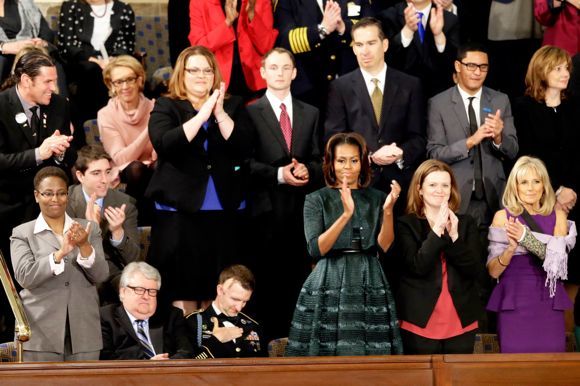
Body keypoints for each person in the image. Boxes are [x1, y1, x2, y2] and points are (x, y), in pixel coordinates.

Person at [146, 46, 252, 316]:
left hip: (223, 210)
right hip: (179, 212)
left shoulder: (233, 104)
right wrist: (202, 114)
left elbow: (244, 147)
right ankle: (185, 349)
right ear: (182, 73)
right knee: (181, 287)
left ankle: (211, 348)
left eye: (207, 70)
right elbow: (166, 144)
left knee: (215, 287)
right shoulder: (166, 105)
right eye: (194, 70)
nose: (201, 75)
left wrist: (218, 113)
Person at [426, 42, 518, 330]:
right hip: (457, 200)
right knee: (463, 271)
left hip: (494, 200)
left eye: (483, 67)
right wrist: (470, 141)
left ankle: (493, 334)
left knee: (496, 270)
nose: (478, 72)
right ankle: (468, 333)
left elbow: (514, 151)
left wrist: (500, 139)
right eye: (471, 66)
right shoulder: (439, 102)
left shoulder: (500, 99)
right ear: (458, 66)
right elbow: (434, 153)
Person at [285, 132, 403, 356]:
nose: (347, 166)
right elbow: (316, 249)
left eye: (354, 160)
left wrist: (388, 211)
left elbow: (385, 246)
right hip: (328, 276)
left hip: (369, 275)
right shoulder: (316, 198)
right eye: (341, 160)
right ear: (330, 163)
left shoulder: (377, 198)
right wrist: (346, 214)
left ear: (362, 162)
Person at [246, 47, 322, 342]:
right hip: (265, 212)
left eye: (285, 67)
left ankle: (298, 343)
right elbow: (244, 163)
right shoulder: (250, 112)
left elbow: (319, 158)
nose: (279, 73)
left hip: (301, 212)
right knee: (267, 281)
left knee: (298, 279)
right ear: (263, 72)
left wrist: (308, 170)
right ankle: (267, 344)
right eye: (273, 67)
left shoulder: (310, 112)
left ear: (294, 72)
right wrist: (279, 175)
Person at [0, 51, 74, 341]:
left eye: (55, 81)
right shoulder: (1, 106)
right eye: (47, 82)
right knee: (12, 279)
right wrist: (36, 154)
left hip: (44, 209)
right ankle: (11, 334)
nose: (52, 88)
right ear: (26, 80)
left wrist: (61, 152)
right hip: (6, 206)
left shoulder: (59, 105)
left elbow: (69, 155)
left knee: (46, 273)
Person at [514, 45, 580, 335]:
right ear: (542, 71)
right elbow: (527, 158)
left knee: (576, 272)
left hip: (577, 199)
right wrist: (555, 194)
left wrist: (572, 189)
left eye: (566, 68)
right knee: (550, 275)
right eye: (558, 68)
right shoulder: (523, 109)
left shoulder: (577, 107)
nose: (565, 73)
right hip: (541, 203)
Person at [325, 17, 425, 208]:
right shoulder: (340, 87)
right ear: (353, 48)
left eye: (371, 43)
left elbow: (419, 137)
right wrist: (368, 157)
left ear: (385, 44)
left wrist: (401, 152)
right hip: (356, 185)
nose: (365, 50)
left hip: (400, 186)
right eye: (359, 44)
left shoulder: (410, 84)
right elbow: (334, 138)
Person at [10, 166, 108, 361]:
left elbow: (101, 276)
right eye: (48, 193)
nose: (55, 199)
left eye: (61, 193)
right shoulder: (22, 233)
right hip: (39, 334)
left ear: (68, 195)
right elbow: (24, 277)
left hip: (84, 332)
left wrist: (84, 245)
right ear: (37, 196)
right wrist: (60, 253)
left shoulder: (89, 229)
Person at [486, 156, 576, 353]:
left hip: (547, 303)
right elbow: (493, 272)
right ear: (514, 186)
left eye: (536, 181)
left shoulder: (558, 216)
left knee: (549, 370)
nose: (530, 188)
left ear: (544, 185)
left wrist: (526, 238)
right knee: (514, 370)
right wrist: (510, 249)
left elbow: (558, 265)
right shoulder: (502, 217)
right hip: (514, 301)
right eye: (524, 182)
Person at [395, 159, 482, 354]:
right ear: (420, 189)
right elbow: (417, 266)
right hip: (419, 319)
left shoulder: (466, 223)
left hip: (460, 319)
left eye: (445, 185)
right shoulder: (406, 224)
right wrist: (436, 231)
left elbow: (474, 270)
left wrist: (454, 237)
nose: (439, 190)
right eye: (432, 185)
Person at [67, 145, 140, 305]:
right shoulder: (67, 202)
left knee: (137, 286)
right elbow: (67, 253)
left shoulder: (124, 203)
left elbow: (134, 259)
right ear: (80, 176)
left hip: (112, 273)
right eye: (96, 173)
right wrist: (92, 227)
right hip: (77, 270)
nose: (105, 180)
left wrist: (118, 232)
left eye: (107, 172)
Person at [274, 0, 377, 112]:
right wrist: (322, 29)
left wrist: (343, 28)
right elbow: (285, 41)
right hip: (309, 90)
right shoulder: (288, 2)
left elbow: (373, 28)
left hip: (352, 86)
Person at [57, 0, 136, 146]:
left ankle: (119, 130)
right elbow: (67, 45)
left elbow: (127, 45)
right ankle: (92, 130)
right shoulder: (71, 7)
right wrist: (94, 60)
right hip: (80, 63)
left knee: (119, 73)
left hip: (113, 62)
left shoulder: (123, 9)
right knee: (94, 70)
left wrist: (112, 60)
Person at [98, 55, 156, 224]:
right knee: (136, 168)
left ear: (139, 80)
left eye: (130, 79)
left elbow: (160, 148)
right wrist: (148, 130)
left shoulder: (154, 107)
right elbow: (121, 158)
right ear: (111, 85)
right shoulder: (106, 114)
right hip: (126, 170)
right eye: (118, 82)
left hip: (152, 167)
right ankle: (139, 221)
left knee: (159, 166)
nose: (125, 86)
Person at [100, 261, 193, 360]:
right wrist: (147, 366)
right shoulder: (106, 317)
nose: (146, 296)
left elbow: (186, 352)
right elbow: (106, 359)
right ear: (123, 292)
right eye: (139, 290)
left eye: (152, 291)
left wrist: (166, 365)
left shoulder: (171, 315)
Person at [188, 0, 278, 100]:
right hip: (219, 85)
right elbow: (198, 49)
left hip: (256, 83)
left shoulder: (261, 1)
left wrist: (252, 15)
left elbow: (266, 47)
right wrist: (227, 23)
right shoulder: (198, 2)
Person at [379, 0, 460, 97]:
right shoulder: (387, 16)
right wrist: (407, 30)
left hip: (438, 96)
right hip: (399, 94)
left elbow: (454, 63)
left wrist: (438, 35)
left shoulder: (449, 19)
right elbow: (386, 58)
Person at [185, 264, 264, 359]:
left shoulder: (252, 325)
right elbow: (186, 367)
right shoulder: (193, 322)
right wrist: (216, 340)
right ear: (220, 290)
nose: (239, 308)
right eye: (235, 299)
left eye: (244, 302)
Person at [0, 0, 67, 93]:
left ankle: (60, 103)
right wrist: (4, 47)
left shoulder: (24, 3)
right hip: (4, 54)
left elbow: (47, 33)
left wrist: (41, 42)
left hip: (30, 49)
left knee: (50, 62)